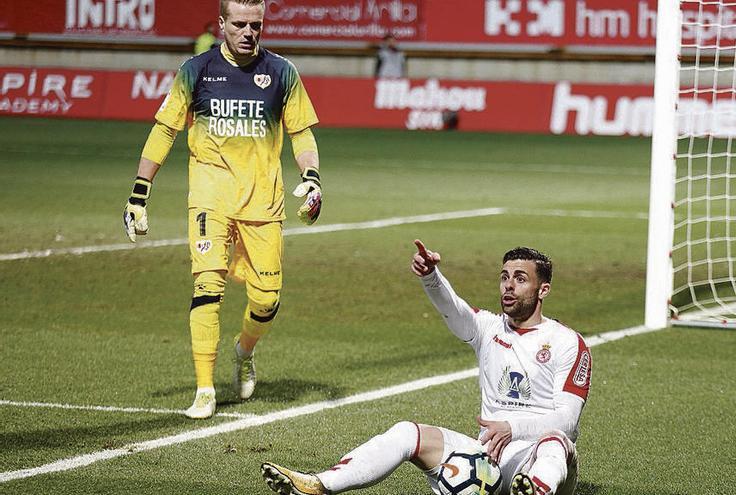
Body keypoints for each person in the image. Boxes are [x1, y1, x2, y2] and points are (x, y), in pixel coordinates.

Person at [261, 241, 592, 495]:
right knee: (407, 433)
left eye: (520, 279)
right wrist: (431, 277)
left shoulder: (567, 342)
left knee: (555, 441)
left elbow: (568, 421)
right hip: (488, 461)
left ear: (543, 289)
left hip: (544, 462)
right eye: (504, 277)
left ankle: (534, 489)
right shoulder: (490, 328)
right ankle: (319, 485)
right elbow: (455, 310)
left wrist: (512, 428)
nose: (508, 285)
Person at [122, 0, 323, 419]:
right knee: (206, 288)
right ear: (221, 24)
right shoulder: (195, 71)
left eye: (256, 24)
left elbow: (301, 134)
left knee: (267, 298)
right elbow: (165, 130)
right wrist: (139, 192)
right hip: (209, 197)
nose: (249, 32)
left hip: (263, 204)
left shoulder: (283, 73)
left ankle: (244, 350)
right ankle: (204, 389)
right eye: (240, 24)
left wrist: (312, 177)